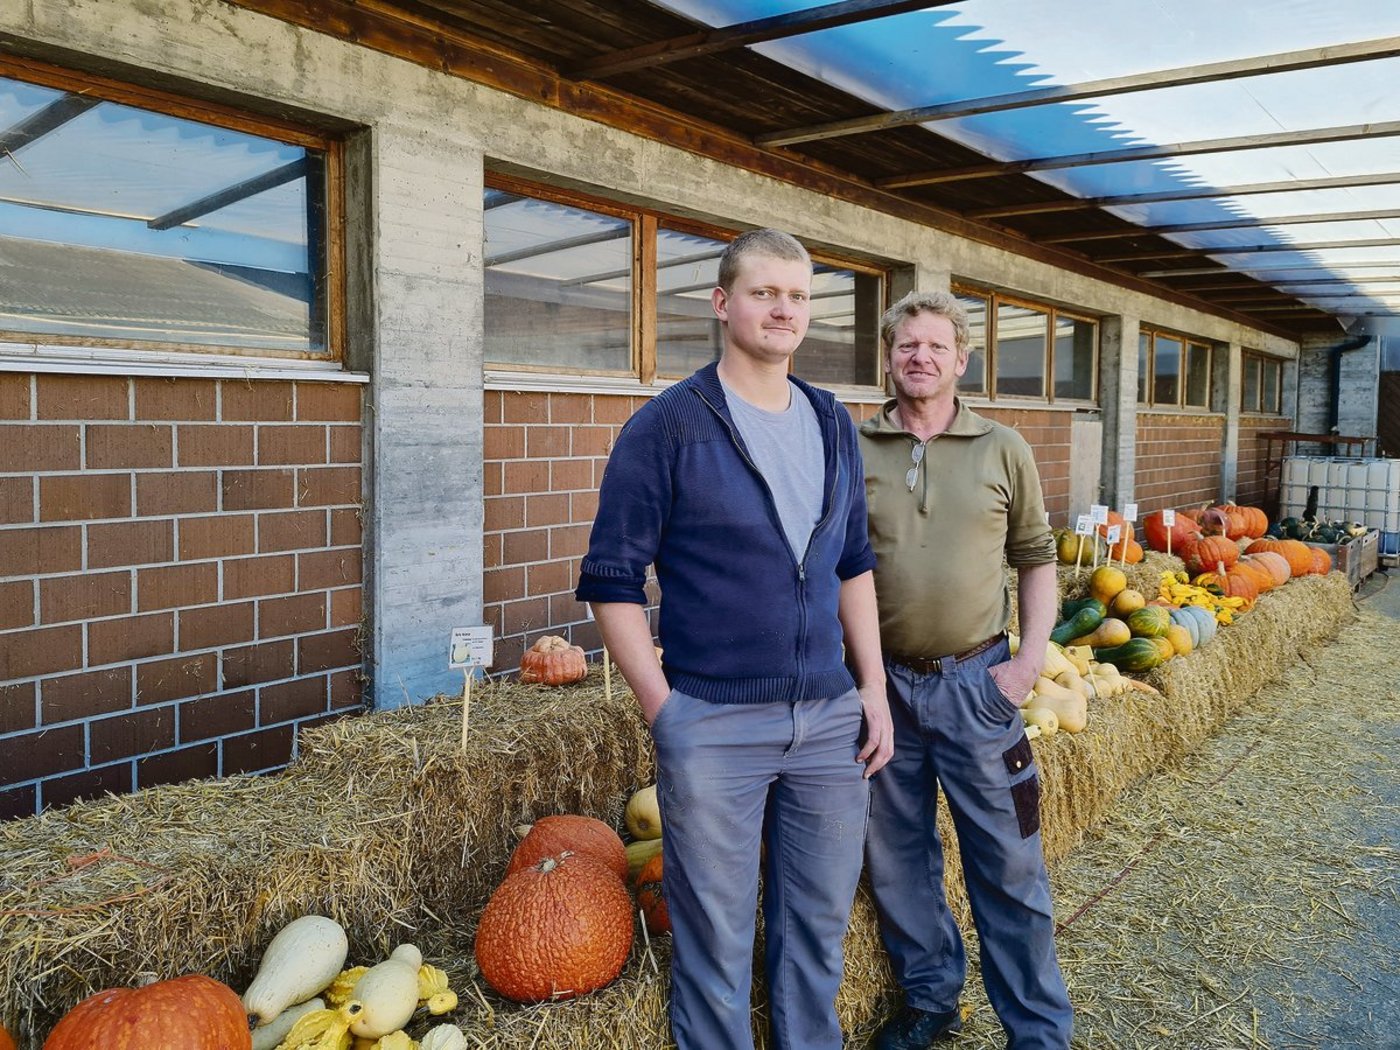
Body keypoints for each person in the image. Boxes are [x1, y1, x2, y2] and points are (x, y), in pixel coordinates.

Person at [575, 227, 893, 1050]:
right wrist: (666, 712)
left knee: (817, 933)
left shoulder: (832, 423)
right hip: (713, 721)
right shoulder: (669, 427)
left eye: (796, 295)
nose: (782, 309)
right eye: (763, 292)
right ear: (723, 304)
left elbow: (853, 565)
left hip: (828, 722)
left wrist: (874, 690)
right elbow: (611, 581)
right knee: (716, 944)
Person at [859, 290, 1073, 1050]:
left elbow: (1037, 560)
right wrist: (860, 681)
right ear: (888, 356)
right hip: (883, 692)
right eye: (907, 344)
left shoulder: (1004, 447)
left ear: (962, 358)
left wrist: (1027, 662)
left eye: (936, 346)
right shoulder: (856, 446)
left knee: (1009, 867)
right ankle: (930, 1003)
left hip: (977, 688)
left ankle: (1038, 1031)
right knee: (898, 861)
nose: (921, 356)